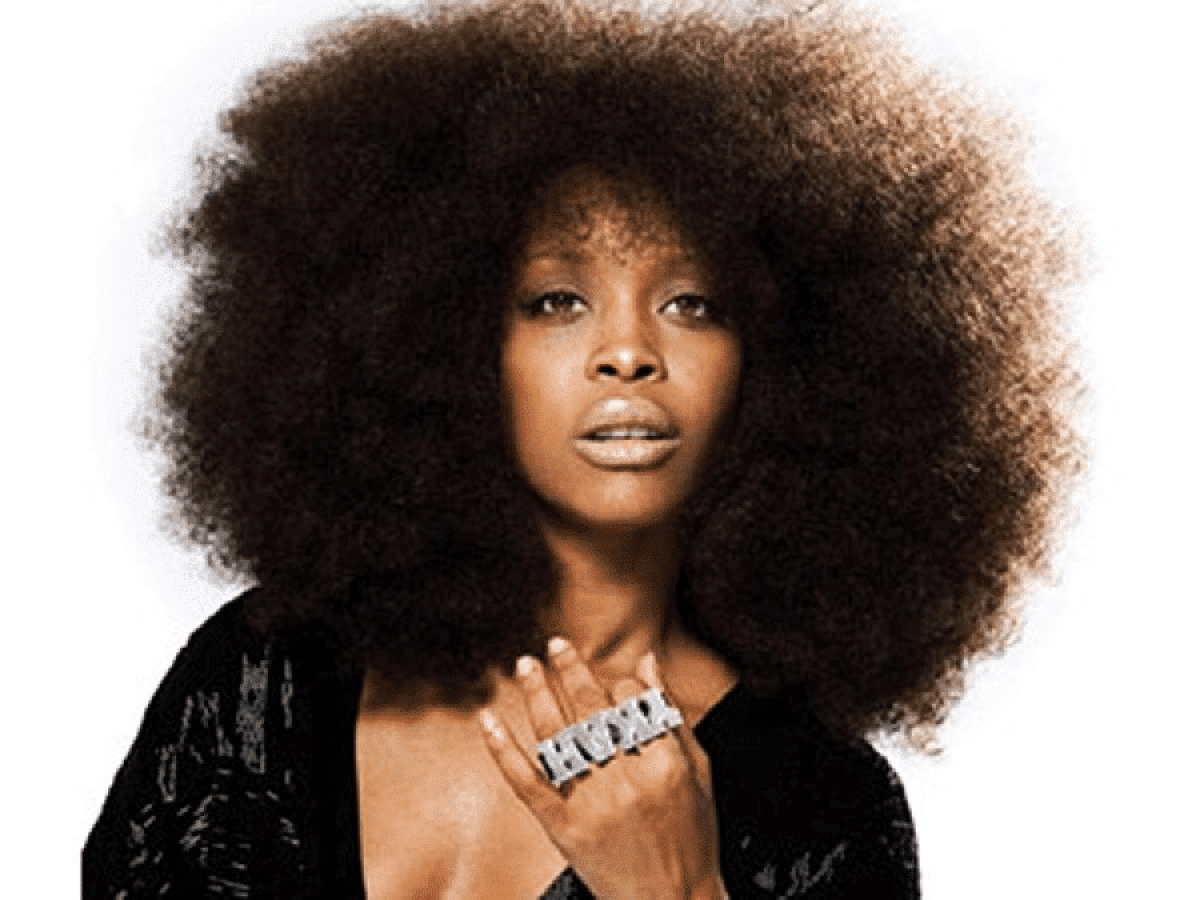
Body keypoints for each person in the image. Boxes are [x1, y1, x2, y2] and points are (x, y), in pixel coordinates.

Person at [83, 1, 1082, 897]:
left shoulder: (821, 807)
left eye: (693, 304)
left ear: (785, 366)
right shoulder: (261, 678)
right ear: (446, 344)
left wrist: (675, 888)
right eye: (558, 300)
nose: (629, 352)